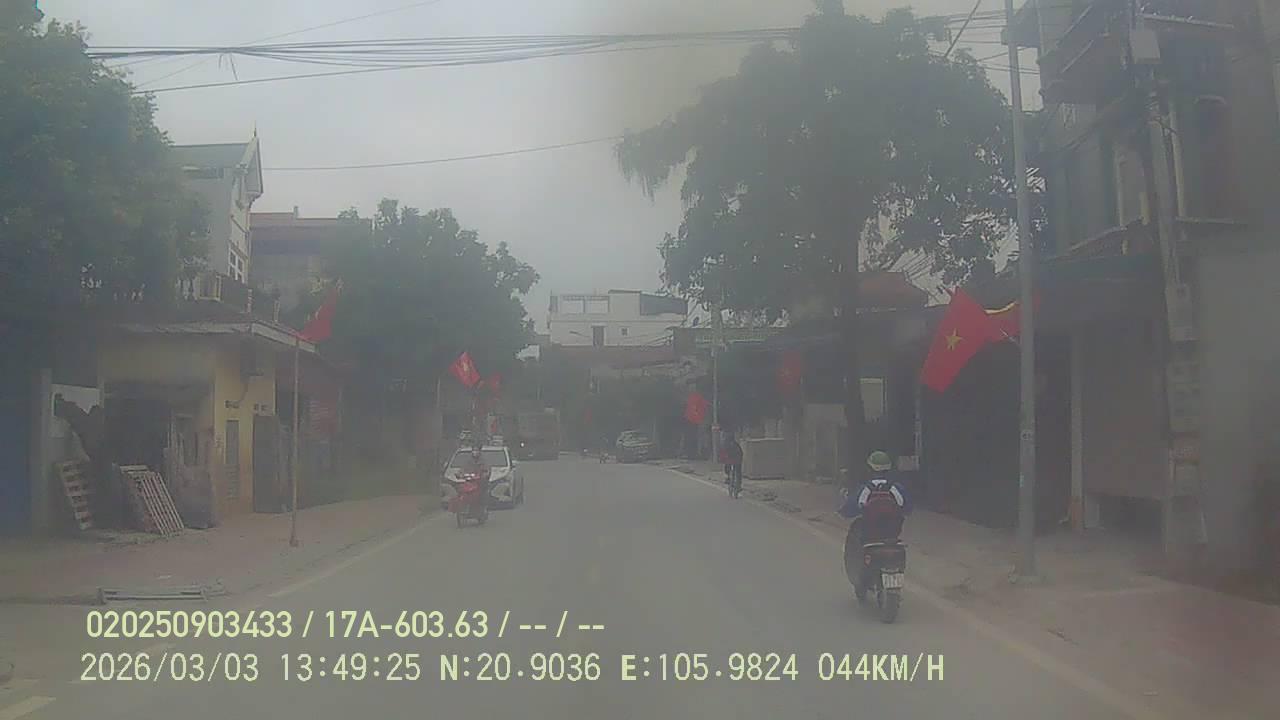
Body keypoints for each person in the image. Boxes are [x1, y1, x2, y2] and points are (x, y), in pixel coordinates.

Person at [838, 450, 911, 545]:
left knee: (855, 530)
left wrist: (842, 512)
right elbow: (907, 509)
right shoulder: (897, 488)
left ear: (869, 469)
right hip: (892, 532)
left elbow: (851, 508)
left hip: (869, 533)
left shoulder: (865, 489)